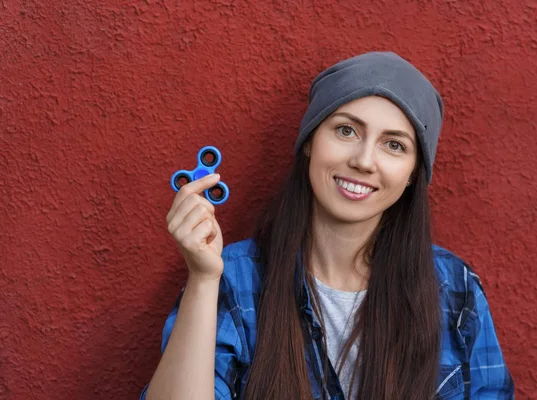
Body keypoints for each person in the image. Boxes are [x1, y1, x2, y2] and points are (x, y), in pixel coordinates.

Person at [140, 52, 515, 400]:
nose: (364, 161)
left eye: (394, 145)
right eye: (346, 131)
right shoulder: (235, 282)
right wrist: (204, 279)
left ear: (413, 174)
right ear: (310, 142)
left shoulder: (455, 291)